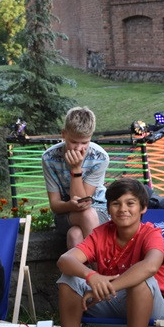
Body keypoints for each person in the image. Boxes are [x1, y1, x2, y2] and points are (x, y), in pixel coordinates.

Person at [56, 178, 164, 327]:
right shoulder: (101, 233)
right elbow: (65, 260)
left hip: (153, 309)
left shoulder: (151, 233)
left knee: (140, 280)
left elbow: (150, 266)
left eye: (130, 203)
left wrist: (110, 286)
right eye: (116, 203)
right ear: (108, 208)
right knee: (68, 278)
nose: (123, 209)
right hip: (111, 300)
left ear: (143, 208)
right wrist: (91, 275)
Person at [42, 106, 110, 248]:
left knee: (75, 235)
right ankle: (102, 270)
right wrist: (68, 205)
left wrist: (76, 169)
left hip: (99, 210)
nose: (79, 148)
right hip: (66, 213)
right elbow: (55, 205)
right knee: (87, 215)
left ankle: (79, 270)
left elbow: (84, 202)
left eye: (85, 143)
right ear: (64, 134)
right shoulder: (49, 158)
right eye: (73, 141)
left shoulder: (100, 157)